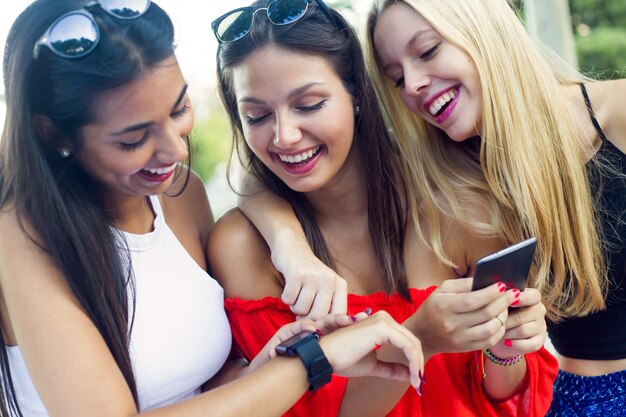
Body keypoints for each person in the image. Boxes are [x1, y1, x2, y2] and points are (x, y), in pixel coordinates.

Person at [0, 1, 427, 416]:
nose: (175, 149)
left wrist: (283, 352)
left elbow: (211, 385)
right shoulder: (19, 235)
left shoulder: (179, 194)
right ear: (56, 134)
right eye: (133, 139)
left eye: (179, 110)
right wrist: (312, 360)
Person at [209, 0, 557, 416]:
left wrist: (506, 348)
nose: (284, 136)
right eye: (257, 115)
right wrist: (419, 338)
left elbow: (509, 399)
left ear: (356, 92)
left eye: (309, 104)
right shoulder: (242, 247)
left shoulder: (457, 205)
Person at [363, 1, 626, 415]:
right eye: (396, 78)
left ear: (483, 31)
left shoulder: (618, 111)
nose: (411, 84)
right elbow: (500, 386)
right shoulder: (460, 197)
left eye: (428, 51)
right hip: (583, 402)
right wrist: (504, 347)